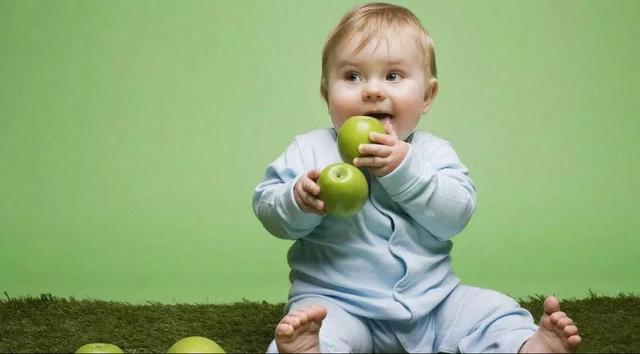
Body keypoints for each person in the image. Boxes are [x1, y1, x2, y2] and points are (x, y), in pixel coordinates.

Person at [252, 3, 581, 353]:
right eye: (352, 76)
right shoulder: (309, 151)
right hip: (338, 304)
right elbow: (269, 211)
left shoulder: (432, 153)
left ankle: (526, 345)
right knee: (317, 329)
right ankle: (308, 349)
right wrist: (297, 199)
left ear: (427, 95)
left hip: (434, 303)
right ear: (325, 94)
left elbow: (455, 215)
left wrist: (404, 170)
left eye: (393, 76)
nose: (373, 91)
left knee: (492, 309)